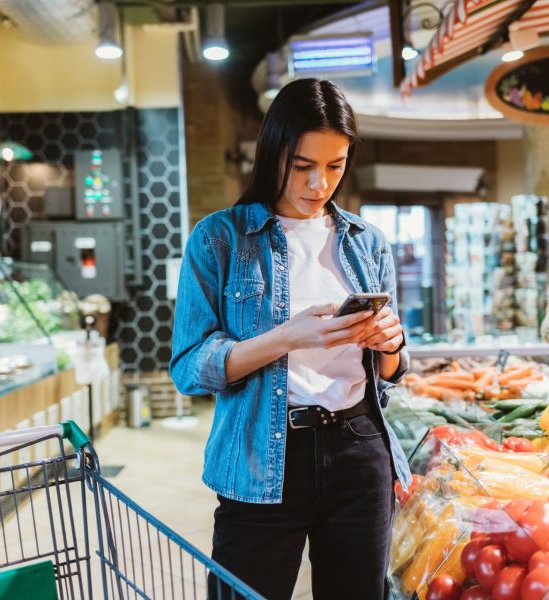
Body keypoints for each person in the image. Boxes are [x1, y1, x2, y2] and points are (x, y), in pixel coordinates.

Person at [170, 77, 411, 600]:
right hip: (262, 453)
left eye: (335, 165)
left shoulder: (366, 241)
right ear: (272, 151)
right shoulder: (221, 237)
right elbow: (189, 367)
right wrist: (286, 337)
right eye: (302, 165)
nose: (318, 184)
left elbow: (390, 375)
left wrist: (390, 344)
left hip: (359, 449)